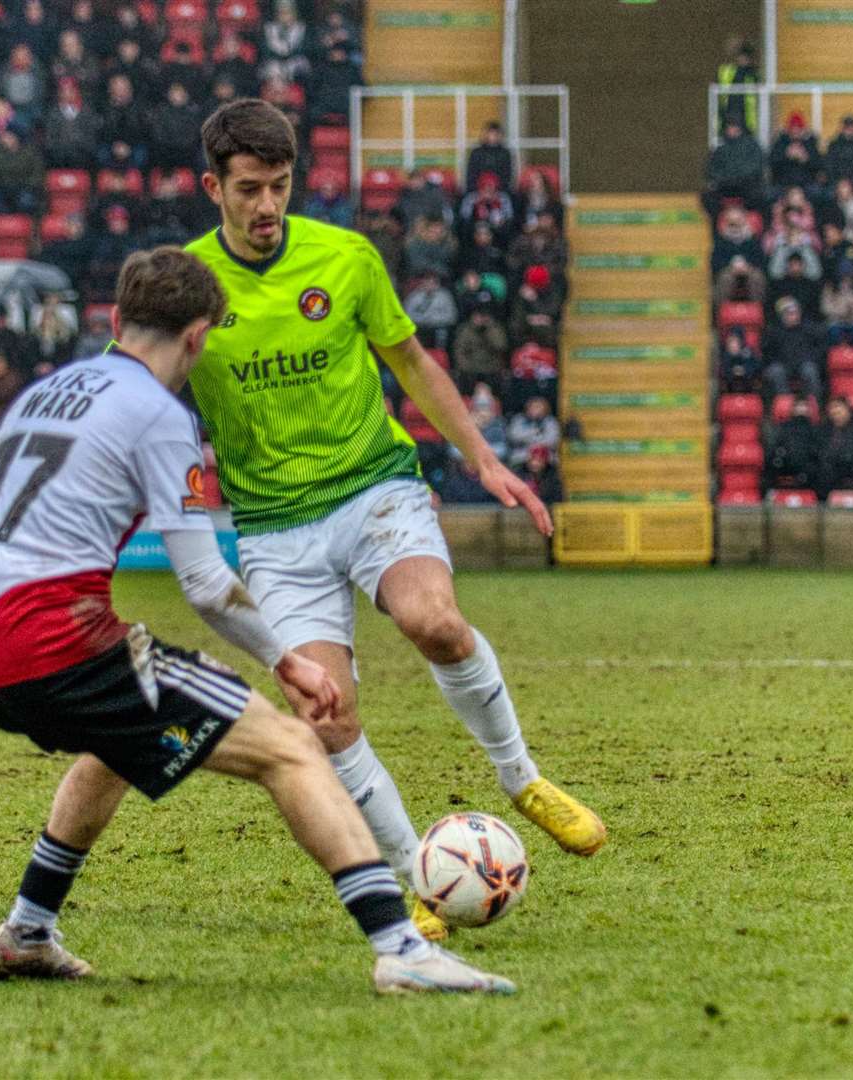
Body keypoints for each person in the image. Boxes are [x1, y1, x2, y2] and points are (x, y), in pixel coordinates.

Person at [0, 247, 511, 995]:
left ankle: (27, 929)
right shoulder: (157, 412)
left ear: (117, 321)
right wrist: (290, 661)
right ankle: (402, 948)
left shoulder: (46, 391)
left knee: (120, 744)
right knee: (289, 747)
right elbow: (208, 584)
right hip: (54, 643)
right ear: (197, 339)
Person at [182, 100, 604, 941]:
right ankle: (424, 877)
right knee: (324, 712)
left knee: (433, 621)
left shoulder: (345, 258)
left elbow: (407, 358)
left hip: (374, 489)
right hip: (271, 528)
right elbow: (149, 393)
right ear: (212, 189)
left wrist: (482, 460)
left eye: (280, 187)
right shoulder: (187, 285)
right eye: (249, 190)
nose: (267, 207)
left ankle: (521, 778)